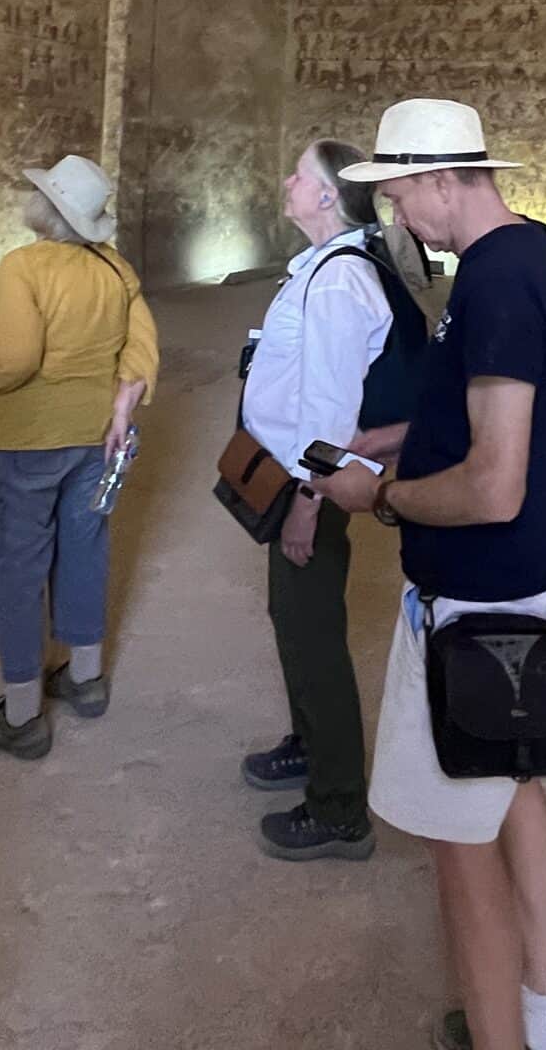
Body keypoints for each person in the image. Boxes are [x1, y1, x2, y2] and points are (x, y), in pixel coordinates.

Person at [318, 98, 546, 1050]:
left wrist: (381, 496)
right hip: (528, 575)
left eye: (401, 198)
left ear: (442, 180)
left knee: (460, 851)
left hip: (474, 598)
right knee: (516, 789)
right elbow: (502, 407)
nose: (399, 218)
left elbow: (492, 483)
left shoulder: (494, 283)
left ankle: (499, 1037)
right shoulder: (542, 251)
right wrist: (399, 435)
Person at [237, 140, 423, 862]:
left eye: (300, 174)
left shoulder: (340, 281)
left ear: (326, 197)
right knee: (292, 620)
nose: (287, 180)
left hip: (307, 485)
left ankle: (339, 807)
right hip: (293, 476)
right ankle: (310, 744)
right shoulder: (326, 265)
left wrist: (308, 503)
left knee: (311, 633)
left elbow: (329, 411)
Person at [0, 154, 158, 759]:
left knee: (14, 565)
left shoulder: (24, 266)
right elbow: (142, 348)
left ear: (45, 208)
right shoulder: (115, 267)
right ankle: (85, 679)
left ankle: (21, 716)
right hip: (96, 437)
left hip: (27, 440)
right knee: (84, 548)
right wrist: (123, 405)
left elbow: (13, 362)